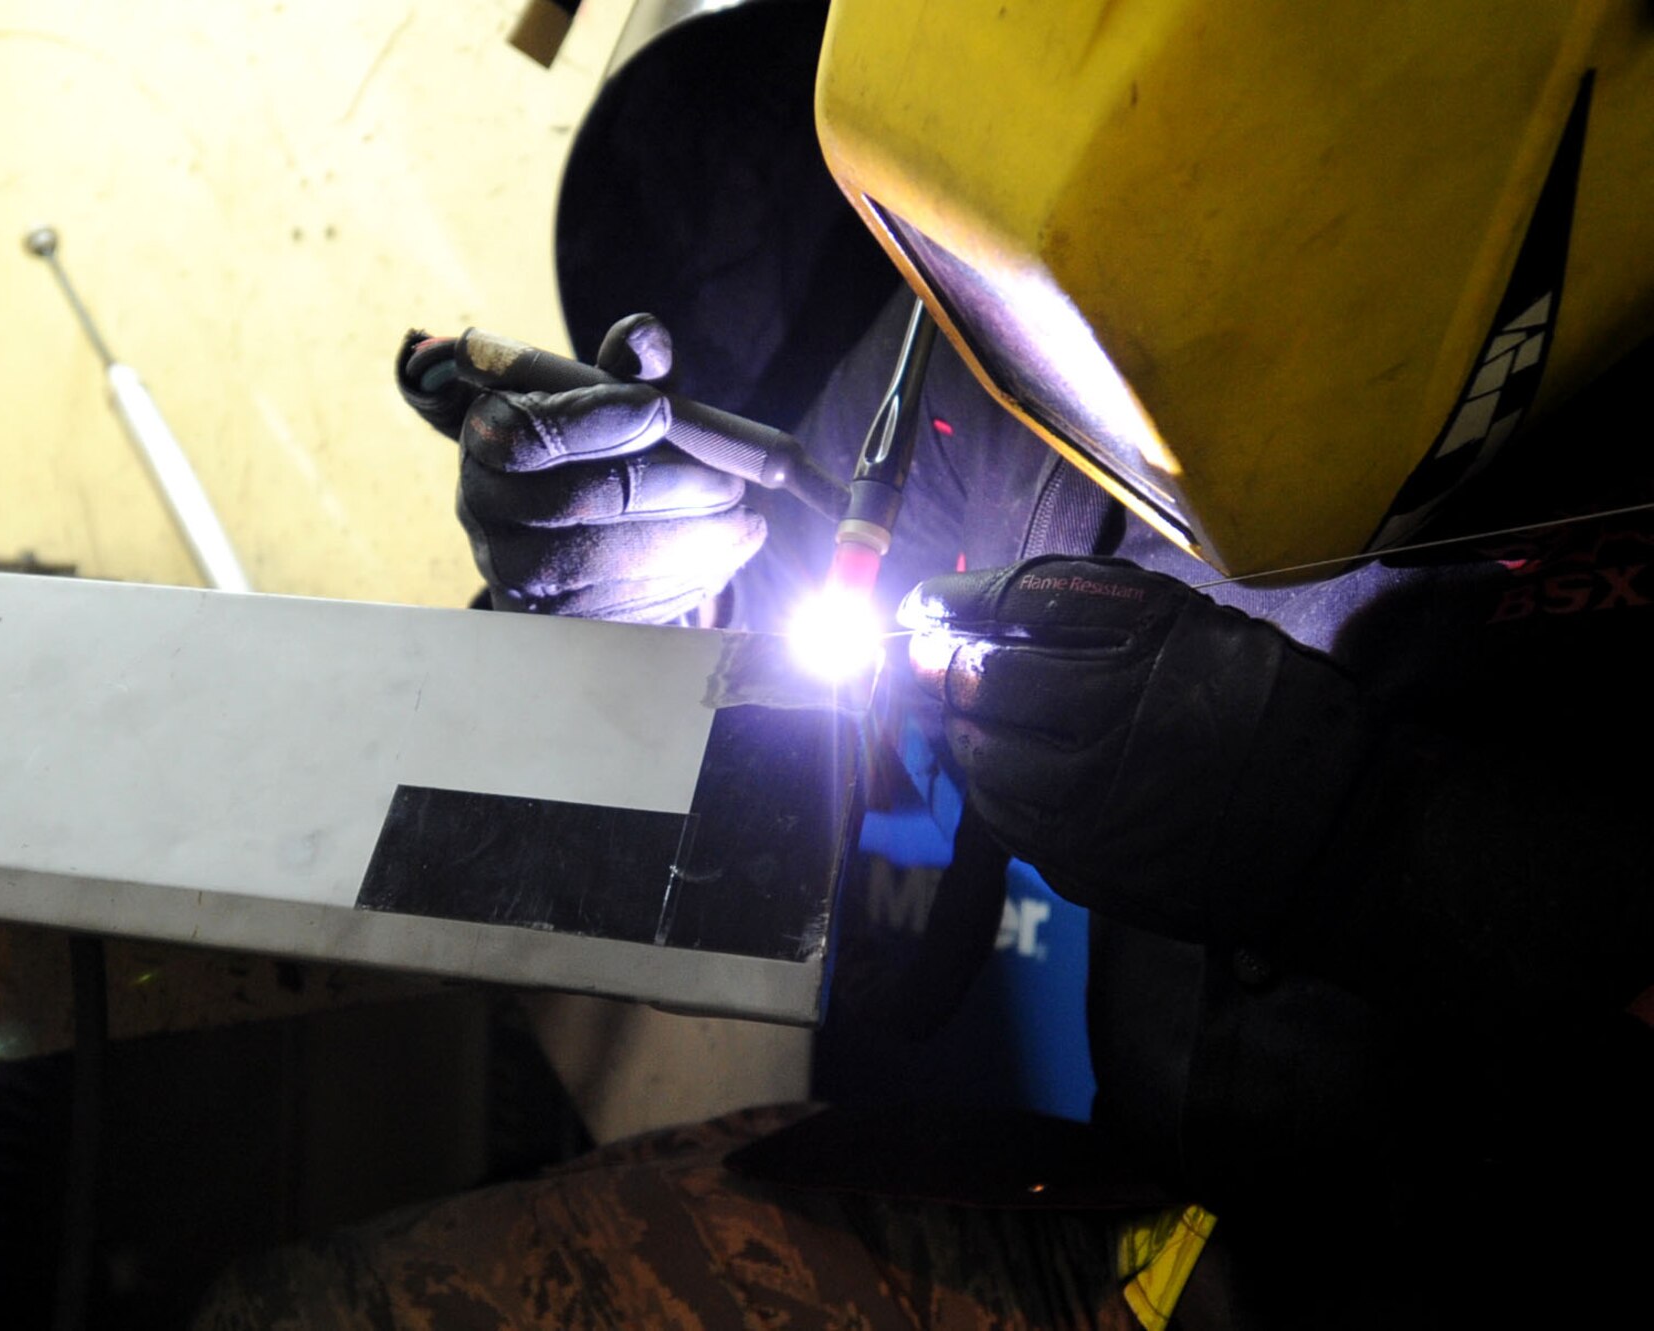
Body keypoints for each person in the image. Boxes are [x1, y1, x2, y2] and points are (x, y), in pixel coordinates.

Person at [200, 3, 1654, 1325]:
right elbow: (844, 834)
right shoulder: (1007, 280)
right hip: (1172, 1246)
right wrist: (629, 609)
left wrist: (1376, 840)